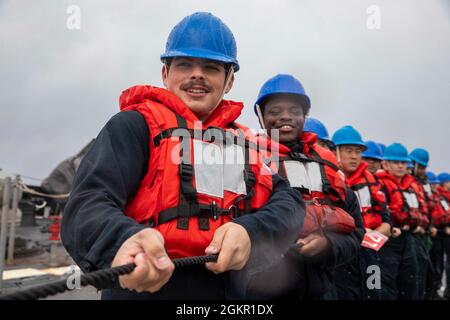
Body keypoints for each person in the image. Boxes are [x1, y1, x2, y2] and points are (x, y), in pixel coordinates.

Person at [61, 12, 304, 300]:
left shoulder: (245, 143)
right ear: (165, 74)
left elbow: (289, 203)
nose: (197, 74)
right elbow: (87, 205)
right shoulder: (133, 126)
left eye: (211, 67)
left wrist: (251, 231)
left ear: (229, 82)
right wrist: (123, 240)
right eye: (185, 64)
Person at [246, 74, 364, 300]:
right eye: (275, 111)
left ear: (304, 116)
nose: (285, 117)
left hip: (323, 290)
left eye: (294, 110)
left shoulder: (327, 166)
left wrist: (328, 244)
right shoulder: (247, 159)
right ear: (261, 117)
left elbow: (357, 232)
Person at [331, 126, 391, 300]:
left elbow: (387, 221)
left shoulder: (372, 182)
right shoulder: (328, 180)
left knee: (374, 292)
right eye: (348, 151)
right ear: (335, 151)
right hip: (342, 256)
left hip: (370, 253)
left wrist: (372, 236)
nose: (354, 156)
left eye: (358, 151)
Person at [375, 143, 428, 299]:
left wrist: (419, 224)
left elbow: (422, 211)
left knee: (411, 280)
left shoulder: (412, 186)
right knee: (387, 282)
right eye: (395, 162)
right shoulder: (379, 183)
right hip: (388, 241)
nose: (400, 166)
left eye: (403, 162)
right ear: (385, 164)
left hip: (410, 239)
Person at [408, 147, 434, 299]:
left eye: (424, 167)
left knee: (427, 274)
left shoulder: (425, 183)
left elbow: (429, 207)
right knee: (417, 275)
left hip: (424, 234)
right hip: (413, 235)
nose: (423, 171)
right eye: (421, 167)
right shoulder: (408, 183)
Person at [426, 172, 450, 299]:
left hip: (440, 233)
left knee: (438, 265)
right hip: (435, 235)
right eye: (432, 184)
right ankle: (432, 291)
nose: (434, 186)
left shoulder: (439, 198)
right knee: (433, 265)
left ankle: (434, 290)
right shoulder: (434, 198)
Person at [436, 172, 450, 299]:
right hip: (441, 233)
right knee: (439, 262)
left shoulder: (445, 196)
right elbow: (442, 216)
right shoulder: (440, 197)